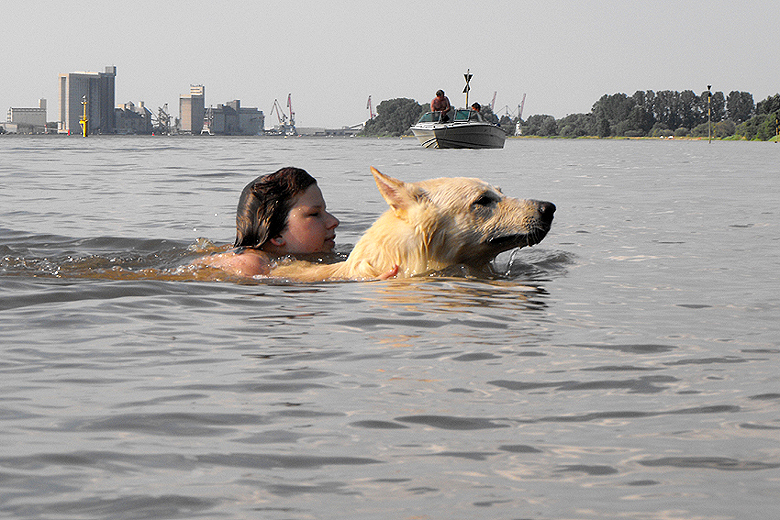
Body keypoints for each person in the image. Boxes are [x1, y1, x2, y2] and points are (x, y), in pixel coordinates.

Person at [195, 167, 397, 279]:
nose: (334, 222)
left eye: (325, 211)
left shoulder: (296, 260)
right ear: (276, 236)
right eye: (315, 214)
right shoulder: (250, 265)